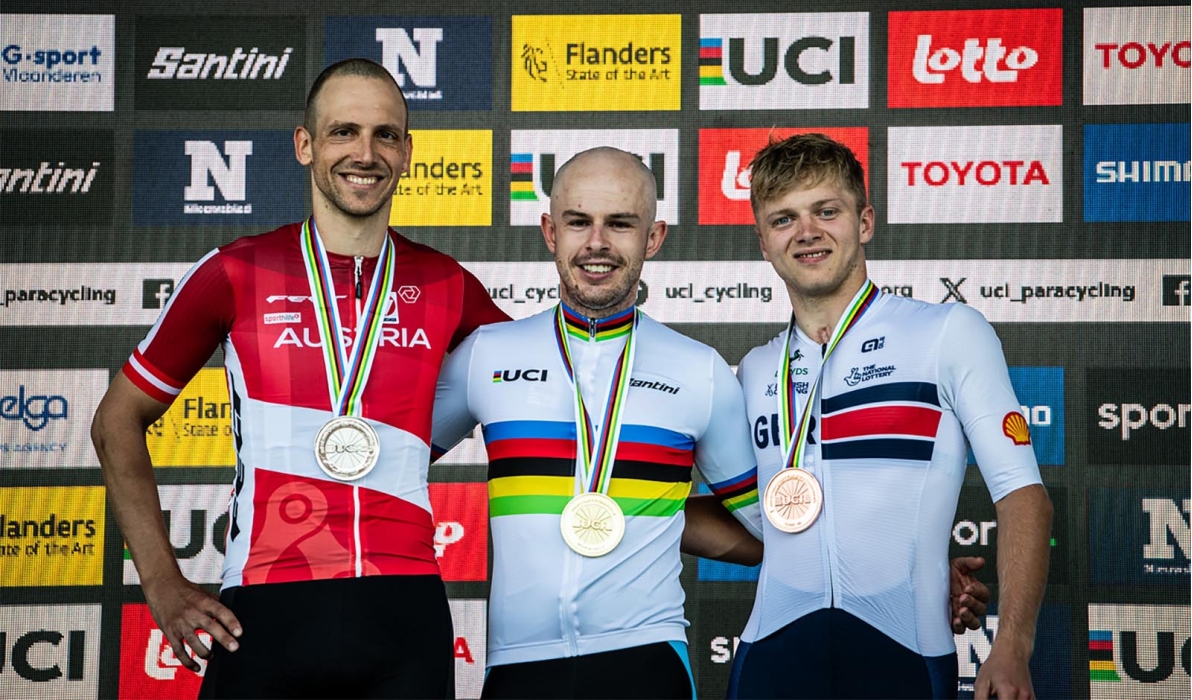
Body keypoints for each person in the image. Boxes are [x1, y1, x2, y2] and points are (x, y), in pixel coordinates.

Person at [430, 147, 993, 699]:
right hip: (517, 665)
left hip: (649, 660)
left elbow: (770, 526)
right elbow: (390, 467)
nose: (597, 243)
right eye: (579, 222)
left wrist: (906, 567)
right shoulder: (487, 354)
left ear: (654, 237)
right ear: (551, 232)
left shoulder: (701, 371)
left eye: (621, 223)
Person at [90, 58, 506, 698]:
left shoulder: (448, 284)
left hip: (405, 611)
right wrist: (160, 581)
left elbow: (537, 391)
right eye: (343, 132)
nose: (365, 153)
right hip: (264, 602)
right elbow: (116, 419)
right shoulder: (236, 271)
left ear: (407, 152)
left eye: (385, 135)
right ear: (305, 145)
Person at [725, 133, 1053, 700]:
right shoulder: (754, 371)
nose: (807, 232)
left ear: (866, 221)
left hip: (901, 657)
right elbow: (749, 521)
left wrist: (1012, 646)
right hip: (769, 658)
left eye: (827, 211)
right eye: (784, 219)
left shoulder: (949, 331)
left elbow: (1023, 494)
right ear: (763, 241)